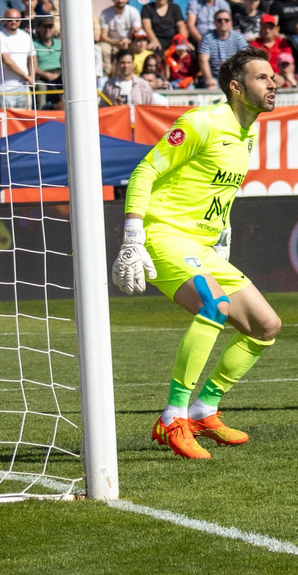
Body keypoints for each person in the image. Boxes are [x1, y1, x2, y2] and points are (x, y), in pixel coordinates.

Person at [111, 51, 286, 460]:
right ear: (236, 87)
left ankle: (204, 409)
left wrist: (221, 234)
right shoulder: (201, 122)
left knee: (266, 325)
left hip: (202, 245)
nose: (273, 83)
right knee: (215, 305)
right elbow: (144, 172)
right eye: (263, 77)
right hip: (163, 236)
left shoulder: (249, 133)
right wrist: (133, 235)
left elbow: (215, 191)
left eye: (273, 76)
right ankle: (173, 416)